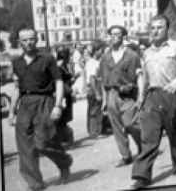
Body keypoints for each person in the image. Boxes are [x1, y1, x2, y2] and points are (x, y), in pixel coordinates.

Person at [130, 15, 176, 189]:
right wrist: (141, 96)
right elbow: (144, 75)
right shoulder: (147, 52)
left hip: (172, 94)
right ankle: (142, 175)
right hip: (152, 96)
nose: (155, 31)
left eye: (160, 27)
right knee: (149, 136)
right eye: (153, 27)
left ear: (167, 29)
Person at [7, 28, 72, 191]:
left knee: (44, 142)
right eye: (25, 40)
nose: (29, 42)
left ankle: (64, 162)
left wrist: (57, 105)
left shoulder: (47, 59)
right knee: (25, 147)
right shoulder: (16, 62)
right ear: (20, 42)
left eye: (32, 39)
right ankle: (35, 183)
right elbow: (16, 88)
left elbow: (58, 82)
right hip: (25, 103)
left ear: (37, 40)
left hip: (44, 101)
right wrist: (11, 111)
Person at [99, 25, 142, 168]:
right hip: (112, 93)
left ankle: (143, 146)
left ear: (124, 36)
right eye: (112, 35)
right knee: (116, 126)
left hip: (128, 94)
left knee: (130, 124)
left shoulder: (132, 55)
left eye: (118, 35)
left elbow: (139, 76)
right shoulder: (105, 57)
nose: (114, 37)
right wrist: (104, 100)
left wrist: (140, 95)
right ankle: (126, 155)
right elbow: (103, 80)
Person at [55, 46, 77, 147]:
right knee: (61, 119)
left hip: (65, 95)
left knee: (64, 118)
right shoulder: (59, 67)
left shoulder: (63, 66)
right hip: (62, 96)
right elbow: (60, 83)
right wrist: (72, 81)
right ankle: (63, 139)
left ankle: (63, 139)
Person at [85, 40, 106, 138]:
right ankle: (94, 132)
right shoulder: (92, 63)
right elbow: (92, 78)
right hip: (94, 88)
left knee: (97, 109)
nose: (102, 52)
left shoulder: (97, 62)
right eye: (102, 50)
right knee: (94, 111)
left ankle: (97, 130)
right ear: (97, 50)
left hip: (97, 86)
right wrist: (97, 93)